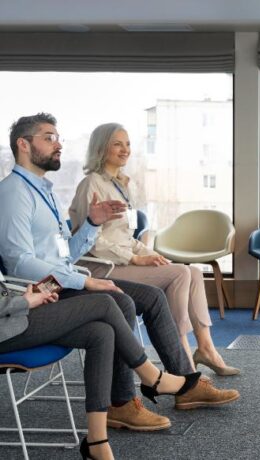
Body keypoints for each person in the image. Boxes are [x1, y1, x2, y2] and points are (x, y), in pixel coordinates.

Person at [0, 113, 239, 433]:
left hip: (59, 282)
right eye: (49, 138)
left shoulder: (46, 192)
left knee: (151, 296)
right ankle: (124, 400)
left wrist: (92, 224)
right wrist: (82, 280)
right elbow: (18, 262)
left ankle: (181, 385)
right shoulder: (14, 193)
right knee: (119, 300)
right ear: (23, 145)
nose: (58, 145)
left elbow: (63, 255)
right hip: (39, 293)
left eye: (58, 138)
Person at [69, 123, 238, 376]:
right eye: (117, 144)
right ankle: (181, 356)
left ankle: (205, 348)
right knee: (181, 274)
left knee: (192, 272)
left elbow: (127, 235)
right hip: (100, 267)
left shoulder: (121, 186)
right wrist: (135, 258)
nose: (125, 150)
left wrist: (147, 254)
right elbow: (92, 241)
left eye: (127, 144)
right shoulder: (91, 184)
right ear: (102, 148)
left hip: (122, 261)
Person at [0, 281, 207, 460]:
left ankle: (96, 442)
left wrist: (23, 297)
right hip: (7, 325)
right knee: (106, 303)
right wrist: (24, 302)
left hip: (13, 312)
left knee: (101, 333)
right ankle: (152, 377)